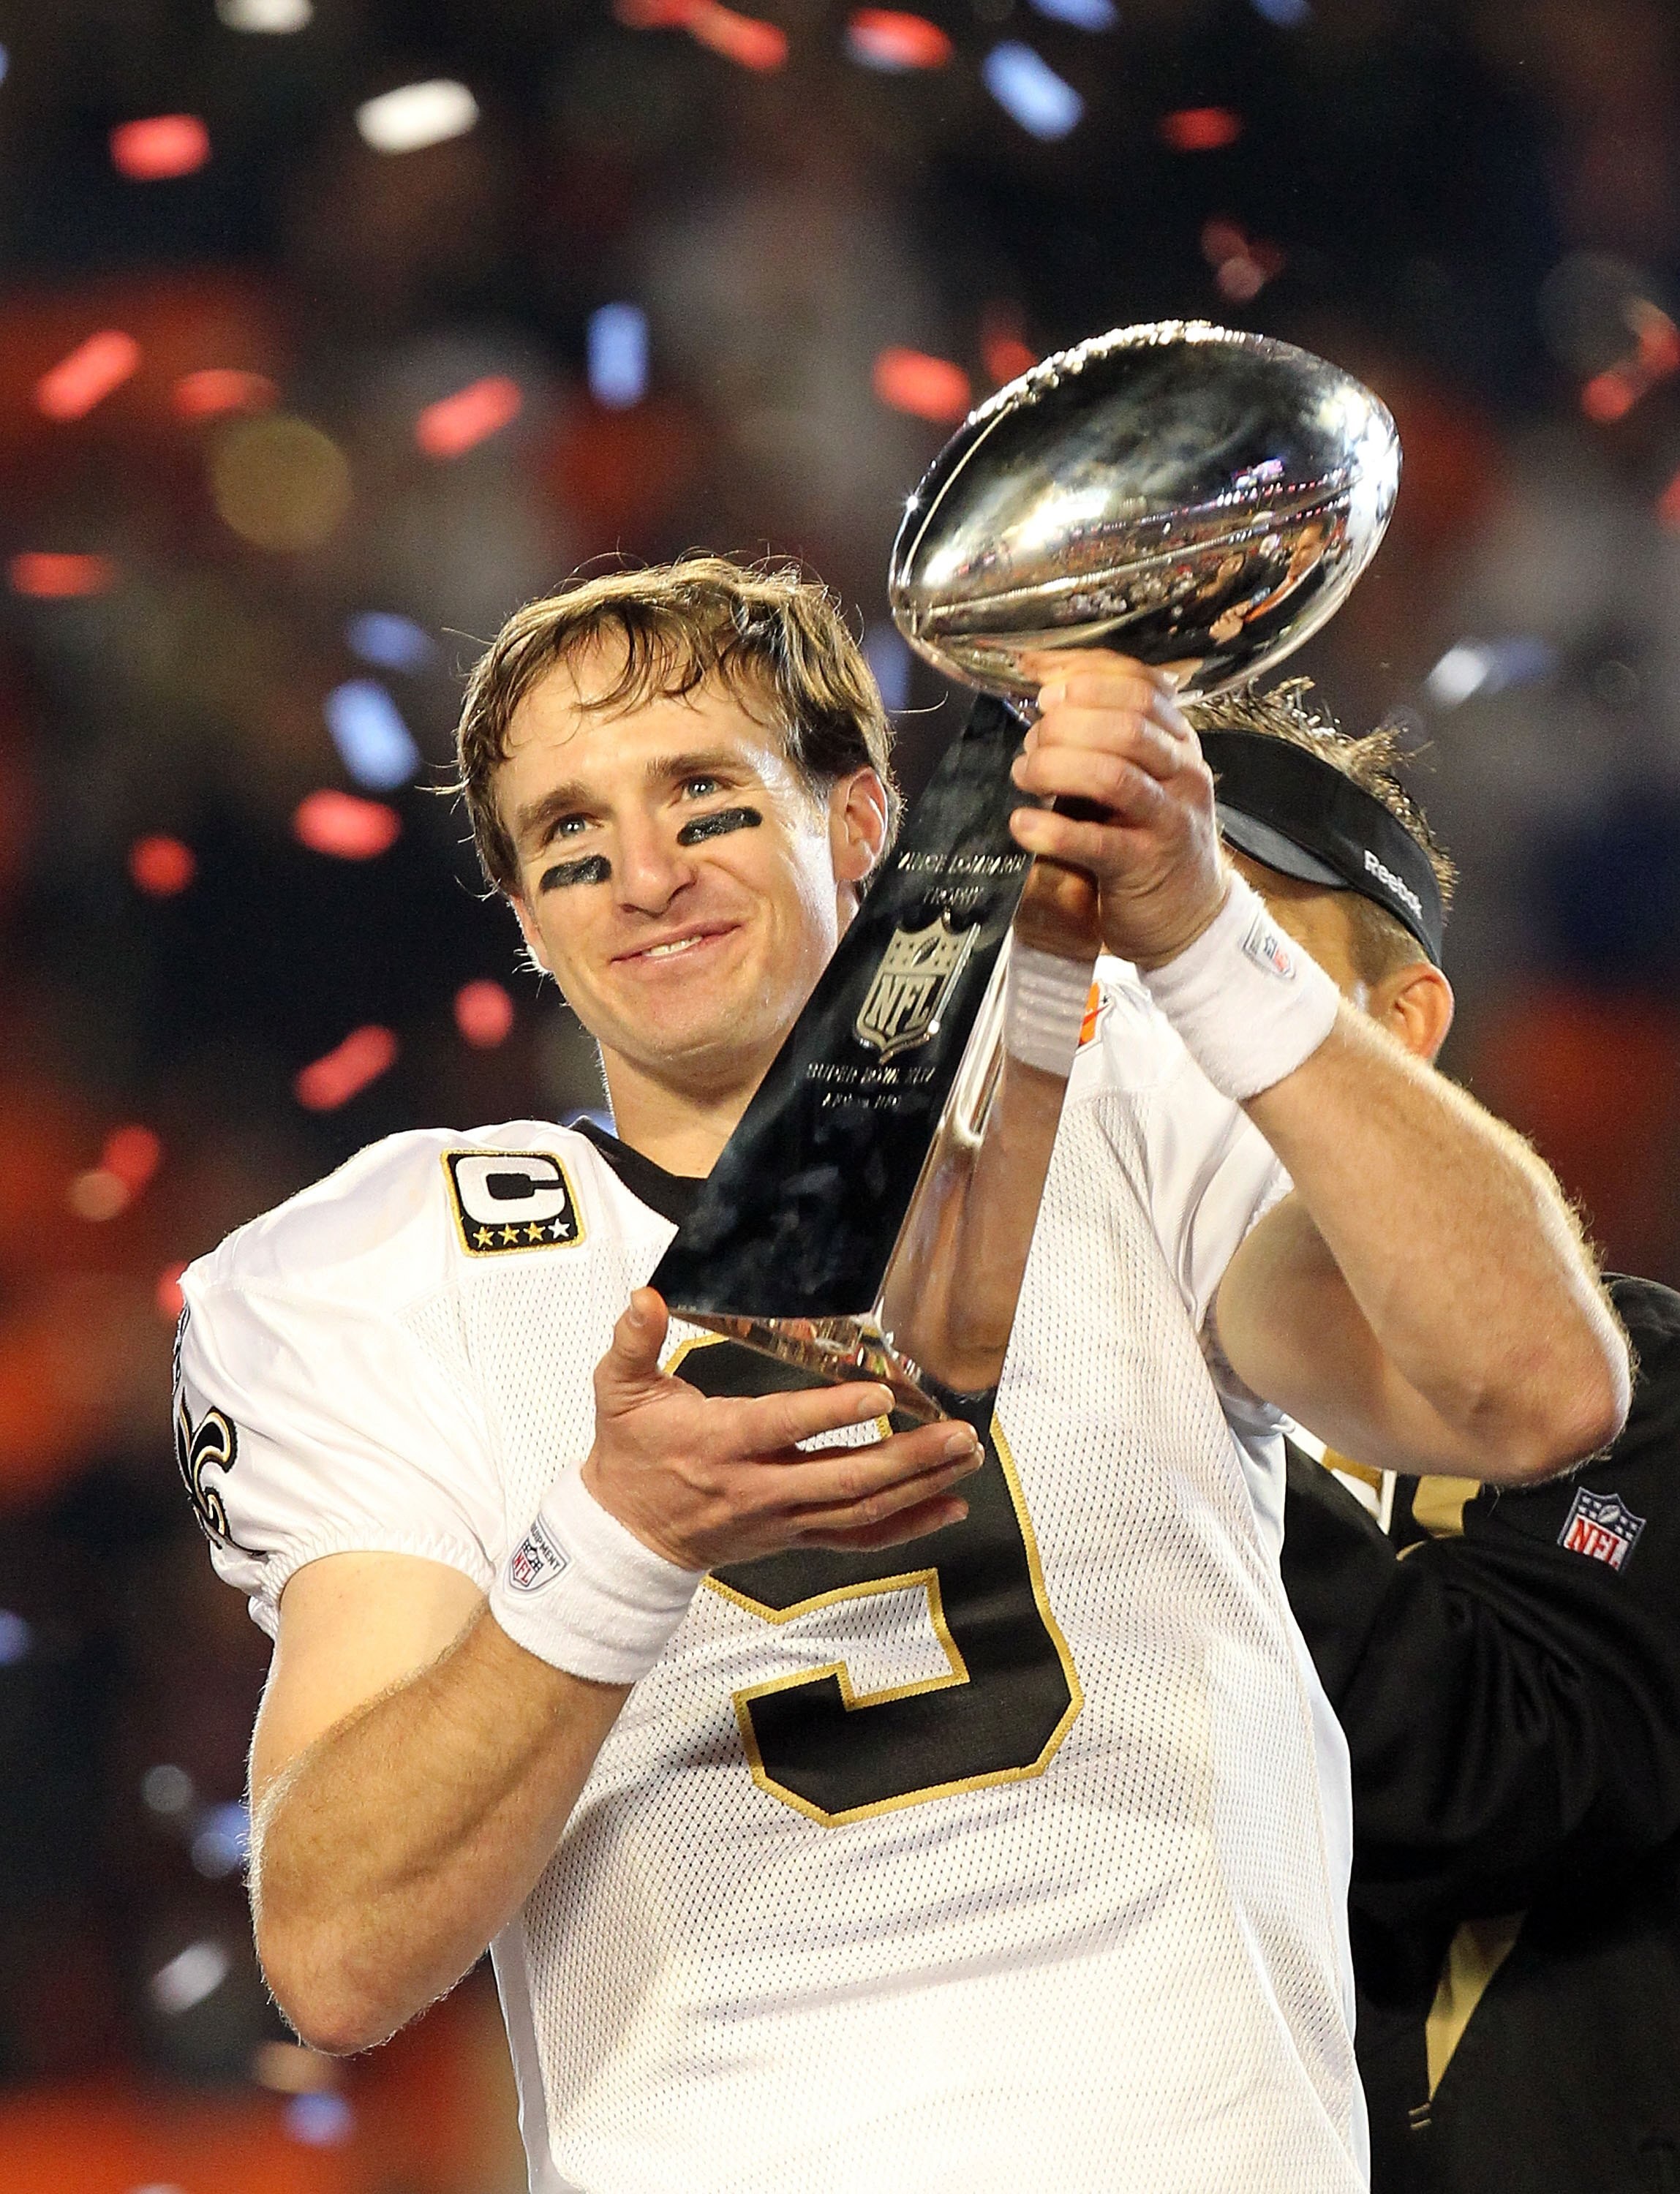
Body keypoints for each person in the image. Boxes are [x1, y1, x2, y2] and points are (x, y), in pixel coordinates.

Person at [173, 559, 1627, 2194]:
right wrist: (614, 1543)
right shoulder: (377, 1269)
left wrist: (1213, 937)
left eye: (705, 802)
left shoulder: (1115, 1079)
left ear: (864, 825)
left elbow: (1540, 1395)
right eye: (570, 843)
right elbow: (339, 1953)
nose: (642, 876)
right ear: (523, 925)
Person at [1184, 681, 1680, 2194]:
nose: (1139, 1011)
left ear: (1402, 1026)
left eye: (1217, 947)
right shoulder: (952, 1411)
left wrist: (1135, 1404)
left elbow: (1504, 1780)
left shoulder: (1635, 1390)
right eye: (1083, 960)